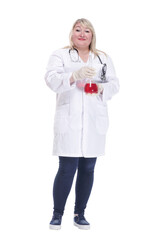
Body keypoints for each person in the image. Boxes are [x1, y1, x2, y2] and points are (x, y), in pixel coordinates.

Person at [44, 18, 119, 230]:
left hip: (94, 121)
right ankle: (57, 214)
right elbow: (50, 79)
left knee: (88, 167)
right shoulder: (60, 55)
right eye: (78, 30)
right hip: (69, 121)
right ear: (72, 34)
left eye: (87, 30)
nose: (82, 34)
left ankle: (80, 214)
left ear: (92, 35)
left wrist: (101, 89)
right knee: (67, 168)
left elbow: (114, 83)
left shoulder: (102, 57)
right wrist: (73, 76)